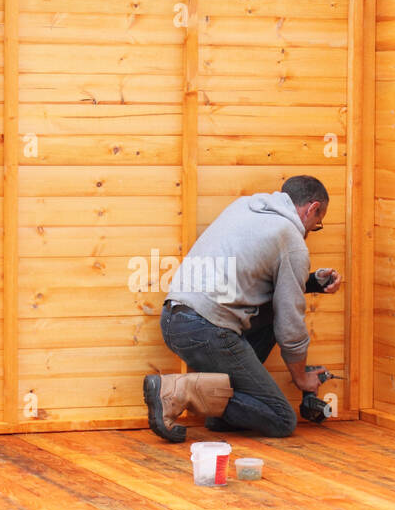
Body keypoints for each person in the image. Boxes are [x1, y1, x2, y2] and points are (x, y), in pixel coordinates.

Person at [142, 175, 342, 442]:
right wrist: (300, 378)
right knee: (282, 419)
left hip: (175, 319)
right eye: (316, 224)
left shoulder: (245, 206)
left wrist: (311, 282)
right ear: (313, 208)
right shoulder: (290, 239)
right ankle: (181, 390)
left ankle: (218, 408)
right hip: (208, 328)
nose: (310, 231)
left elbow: (250, 280)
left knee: (271, 314)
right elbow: (290, 322)